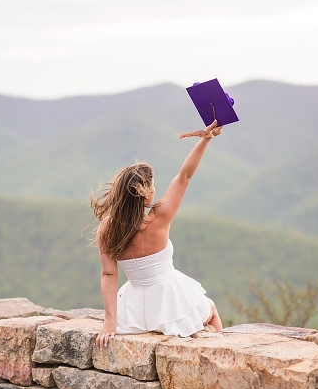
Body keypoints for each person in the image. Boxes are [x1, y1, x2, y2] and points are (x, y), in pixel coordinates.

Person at [91, 120, 224, 350]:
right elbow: (185, 176)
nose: (155, 189)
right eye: (152, 186)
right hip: (171, 301)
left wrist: (109, 323)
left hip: (132, 310)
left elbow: (109, 275)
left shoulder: (107, 229)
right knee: (210, 309)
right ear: (146, 195)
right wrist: (206, 138)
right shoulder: (159, 216)